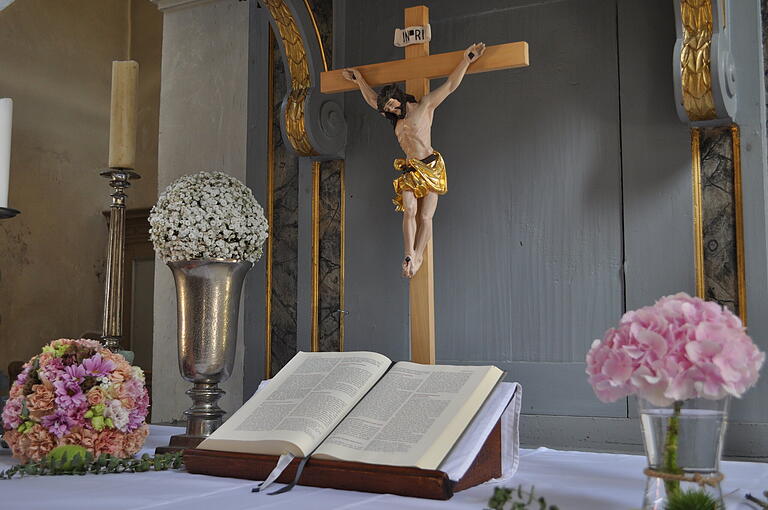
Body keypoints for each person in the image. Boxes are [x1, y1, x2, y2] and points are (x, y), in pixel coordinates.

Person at [343, 42, 486, 278]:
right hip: (410, 168)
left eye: (390, 104)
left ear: (398, 98)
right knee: (408, 208)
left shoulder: (424, 106)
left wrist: (467, 59)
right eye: (386, 107)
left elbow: (450, 85)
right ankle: (408, 253)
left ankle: (418, 255)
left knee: (426, 216)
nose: (389, 109)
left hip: (430, 165)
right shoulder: (395, 119)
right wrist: (358, 79)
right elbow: (372, 100)